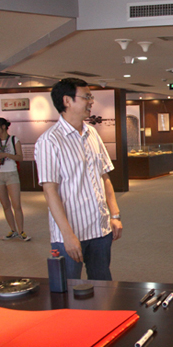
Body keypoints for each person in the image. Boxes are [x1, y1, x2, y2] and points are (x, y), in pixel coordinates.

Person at [35, 78, 123, 280]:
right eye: (86, 97)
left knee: (103, 285)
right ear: (67, 101)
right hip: (71, 233)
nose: (91, 101)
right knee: (67, 288)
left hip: (100, 230)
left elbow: (104, 176)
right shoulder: (49, 141)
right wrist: (67, 235)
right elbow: (50, 191)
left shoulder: (92, 133)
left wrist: (115, 215)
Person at [0, 117, 29, 241]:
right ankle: (13, 230)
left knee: (16, 204)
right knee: (5, 204)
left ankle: (21, 231)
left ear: (4, 126)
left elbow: (20, 157)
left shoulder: (14, 140)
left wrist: (5, 154)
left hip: (11, 173)